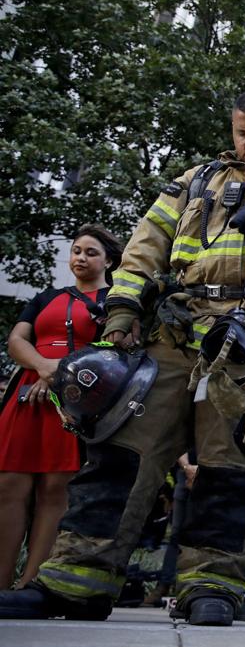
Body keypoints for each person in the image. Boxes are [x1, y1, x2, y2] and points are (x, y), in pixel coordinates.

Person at [0, 88, 245, 626]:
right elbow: (144, 248)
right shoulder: (195, 180)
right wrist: (122, 312)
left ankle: (213, 587)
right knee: (121, 452)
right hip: (175, 334)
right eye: (242, 132)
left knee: (228, 466)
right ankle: (76, 580)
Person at [0, 224, 122, 589]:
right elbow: (16, 340)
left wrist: (59, 376)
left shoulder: (114, 302)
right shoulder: (46, 297)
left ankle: (30, 584)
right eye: (76, 251)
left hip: (75, 403)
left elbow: (114, 353)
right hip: (27, 398)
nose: (80, 258)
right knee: (8, 485)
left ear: (108, 261)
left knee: (55, 490)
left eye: (91, 252)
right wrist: (43, 367)